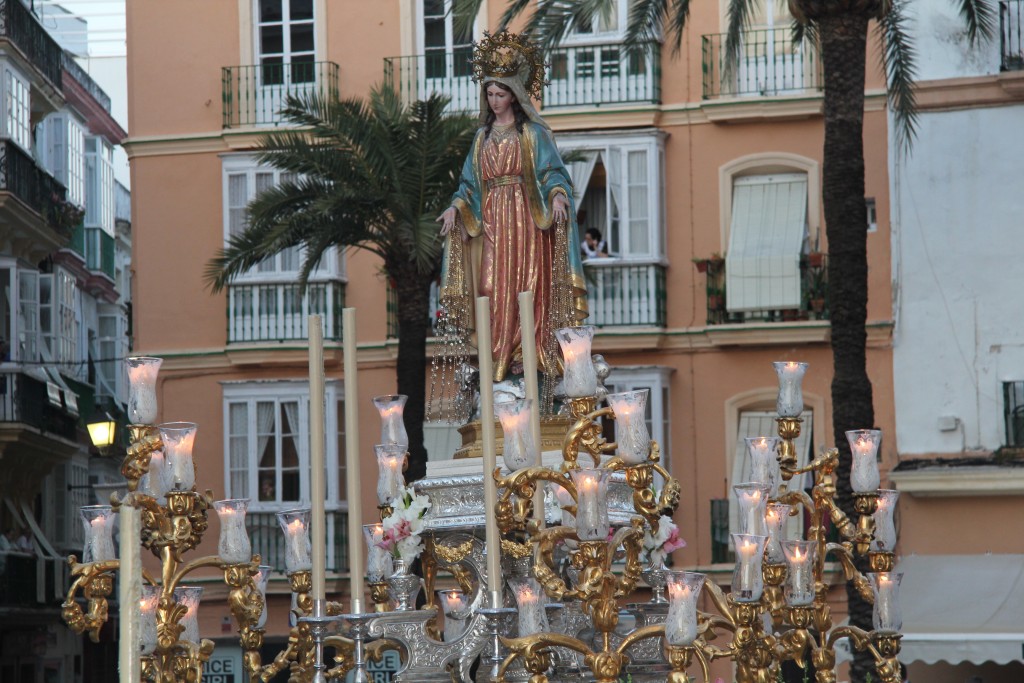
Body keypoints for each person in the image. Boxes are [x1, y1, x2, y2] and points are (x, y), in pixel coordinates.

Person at [437, 31, 588, 383]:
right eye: (489, 94)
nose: (494, 100)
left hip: (527, 218)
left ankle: (528, 353)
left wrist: (558, 196)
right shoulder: (482, 136)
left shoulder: (531, 134)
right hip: (491, 219)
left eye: (500, 94)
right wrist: (455, 208)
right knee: (491, 286)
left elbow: (553, 174)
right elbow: (469, 184)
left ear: (514, 95)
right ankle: (498, 355)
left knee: (530, 285)